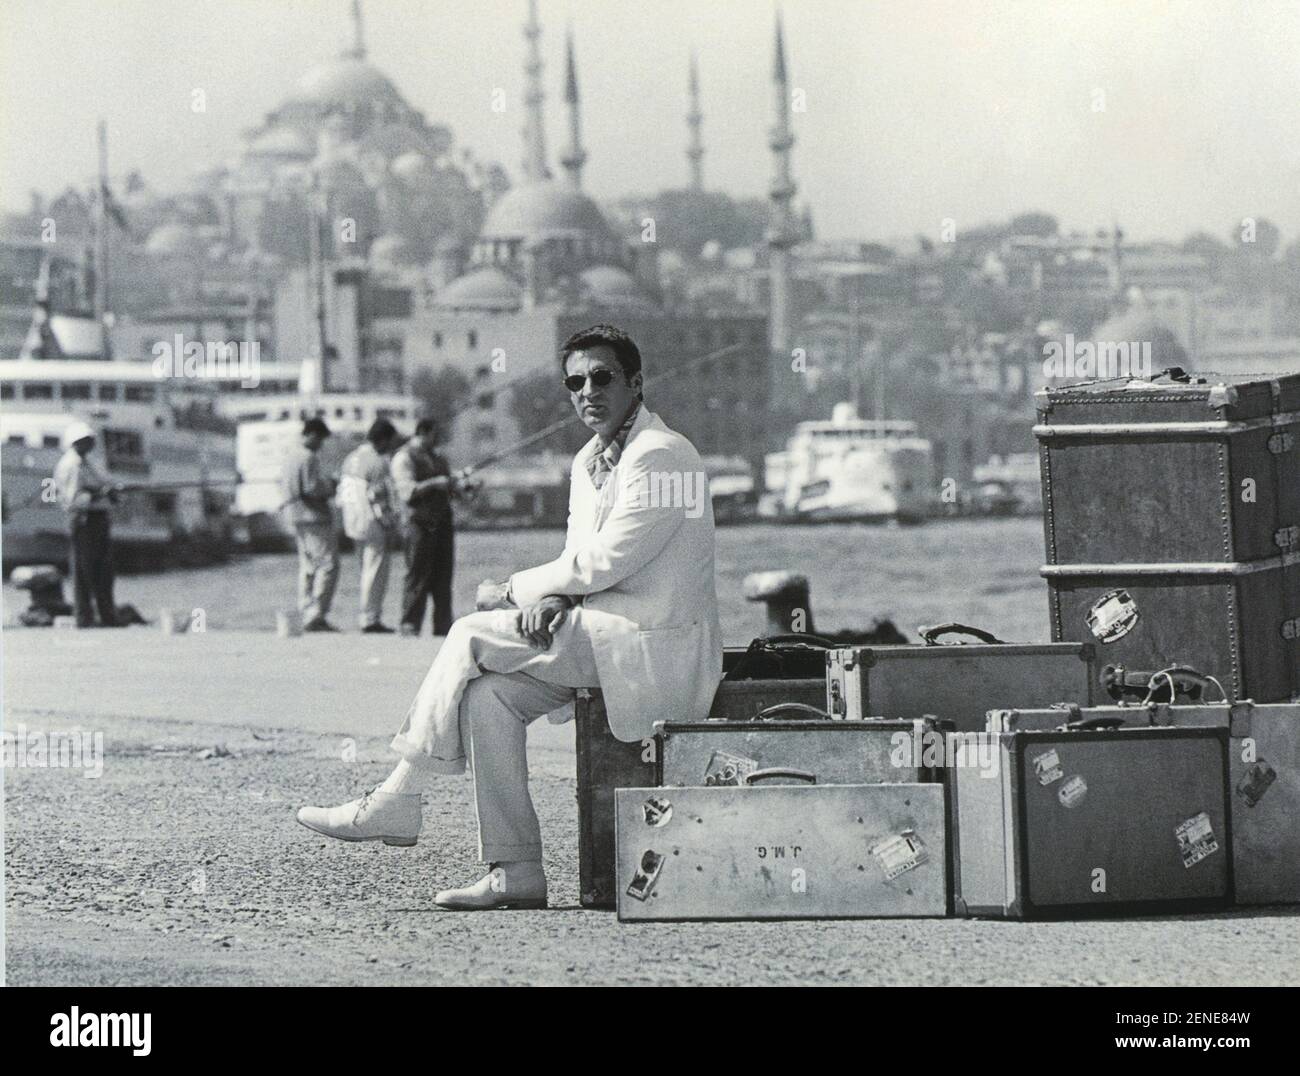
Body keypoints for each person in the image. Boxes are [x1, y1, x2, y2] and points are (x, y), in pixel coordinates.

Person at [297, 324, 723, 910]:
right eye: (575, 382)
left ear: (636, 382)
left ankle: (399, 795)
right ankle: (516, 870)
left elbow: (609, 557)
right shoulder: (587, 460)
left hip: (652, 645)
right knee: (489, 699)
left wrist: (512, 590)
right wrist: (555, 598)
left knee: (469, 632)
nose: (587, 391)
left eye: (602, 377)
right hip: (601, 634)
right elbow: (582, 559)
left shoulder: (665, 454)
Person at [390, 417, 458, 637]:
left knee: (443, 578)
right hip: (418, 525)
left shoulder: (439, 458)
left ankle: (443, 627)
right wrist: (436, 483)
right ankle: (410, 625)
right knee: (417, 576)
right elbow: (407, 491)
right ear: (424, 432)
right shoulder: (404, 458)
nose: (438, 440)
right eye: (435, 435)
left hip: (443, 524)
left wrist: (462, 487)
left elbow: (451, 490)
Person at [53, 420, 120, 628]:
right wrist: (101, 493)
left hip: (98, 520)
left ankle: (106, 615)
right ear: (77, 442)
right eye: (88, 440)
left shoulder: (86, 462)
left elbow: (99, 487)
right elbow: (75, 499)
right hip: (85, 522)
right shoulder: (71, 465)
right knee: (84, 571)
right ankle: (85, 617)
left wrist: (109, 492)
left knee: (104, 570)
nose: (92, 443)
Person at [339, 418, 400, 633]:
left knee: (364, 570)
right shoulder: (377, 462)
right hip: (372, 521)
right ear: (383, 440)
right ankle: (370, 618)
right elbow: (378, 497)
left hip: (352, 521)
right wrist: (389, 524)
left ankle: (365, 614)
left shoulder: (351, 458)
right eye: (391, 441)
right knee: (375, 571)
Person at [281, 417, 340, 632]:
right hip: (314, 517)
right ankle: (316, 615)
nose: (321, 445)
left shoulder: (290, 456)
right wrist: (332, 485)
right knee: (328, 565)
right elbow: (312, 488)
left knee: (307, 567)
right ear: (313, 434)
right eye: (321, 439)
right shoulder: (308, 457)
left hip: (295, 517)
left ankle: (306, 610)